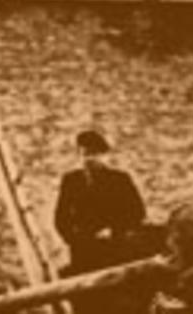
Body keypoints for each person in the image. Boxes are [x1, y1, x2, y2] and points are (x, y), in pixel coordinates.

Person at [55, 130, 146, 314]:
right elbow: (60, 218)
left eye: (94, 154)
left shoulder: (120, 180)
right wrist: (75, 239)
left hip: (113, 250)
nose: (89, 159)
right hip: (83, 253)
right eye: (84, 154)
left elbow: (137, 213)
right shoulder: (71, 181)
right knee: (86, 301)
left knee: (114, 299)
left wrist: (114, 230)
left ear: (104, 155)